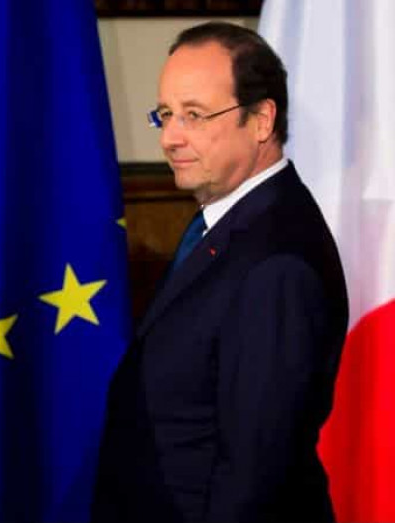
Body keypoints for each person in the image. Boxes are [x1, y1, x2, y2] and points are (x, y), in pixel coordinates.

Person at [93, 22, 348, 523]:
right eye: (166, 114)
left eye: (194, 115)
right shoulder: (228, 221)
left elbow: (253, 475)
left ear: (261, 120)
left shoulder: (276, 262)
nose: (170, 137)